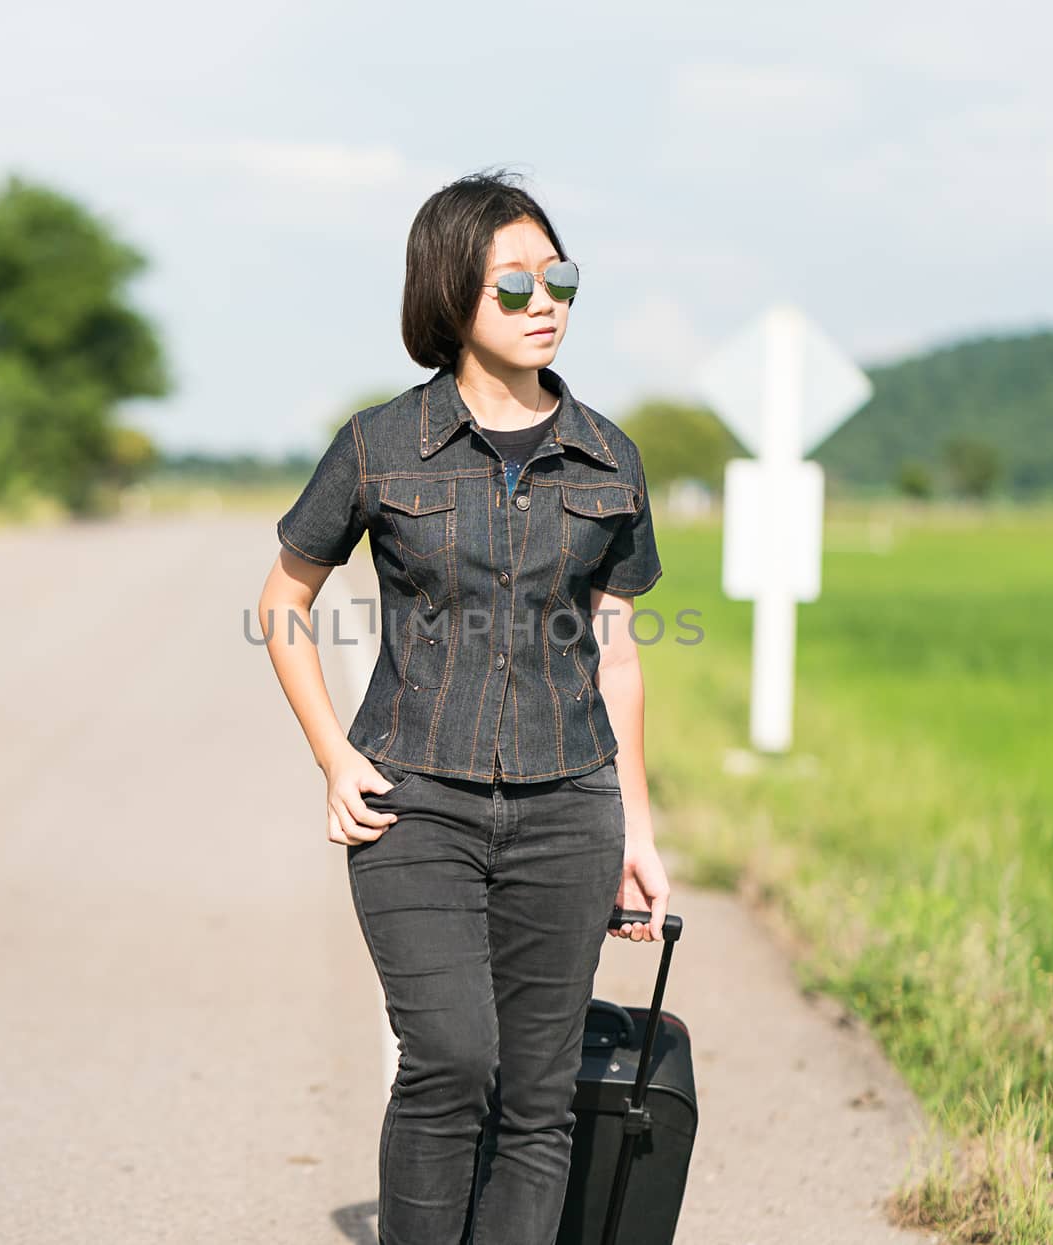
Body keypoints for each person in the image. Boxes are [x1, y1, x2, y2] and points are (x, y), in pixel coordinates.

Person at [257, 168, 670, 1245]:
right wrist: (331, 759)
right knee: (451, 1060)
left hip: (568, 807)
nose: (547, 305)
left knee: (537, 1100)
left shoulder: (609, 456)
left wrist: (635, 824)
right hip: (414, 800)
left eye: (560, 279)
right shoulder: (378, 446)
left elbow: (616, 652)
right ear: (450, 299)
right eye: (515, 288)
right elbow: (283, 602)